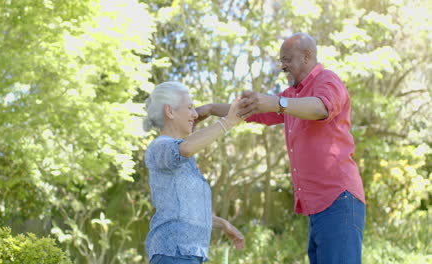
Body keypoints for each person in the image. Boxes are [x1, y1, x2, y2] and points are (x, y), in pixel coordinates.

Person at [196, 33, 366, 264]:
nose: (282, 66)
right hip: (318, 206)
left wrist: (277, 103)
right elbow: (251, 111)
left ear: (307, 56)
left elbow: (320, 108)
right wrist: (209, 109)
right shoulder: (292, 95)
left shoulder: (328, 80)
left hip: (338, 198)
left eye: (287, 59)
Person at [143, 81, 245, 264]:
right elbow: (187, 147)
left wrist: (224, 225)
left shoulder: (181, 157)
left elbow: (184, 211)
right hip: (173, 253)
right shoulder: (159, 147)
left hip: (187, 255)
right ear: (170, 111)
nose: (195, 114)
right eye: (189, 107)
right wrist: (227, 122)